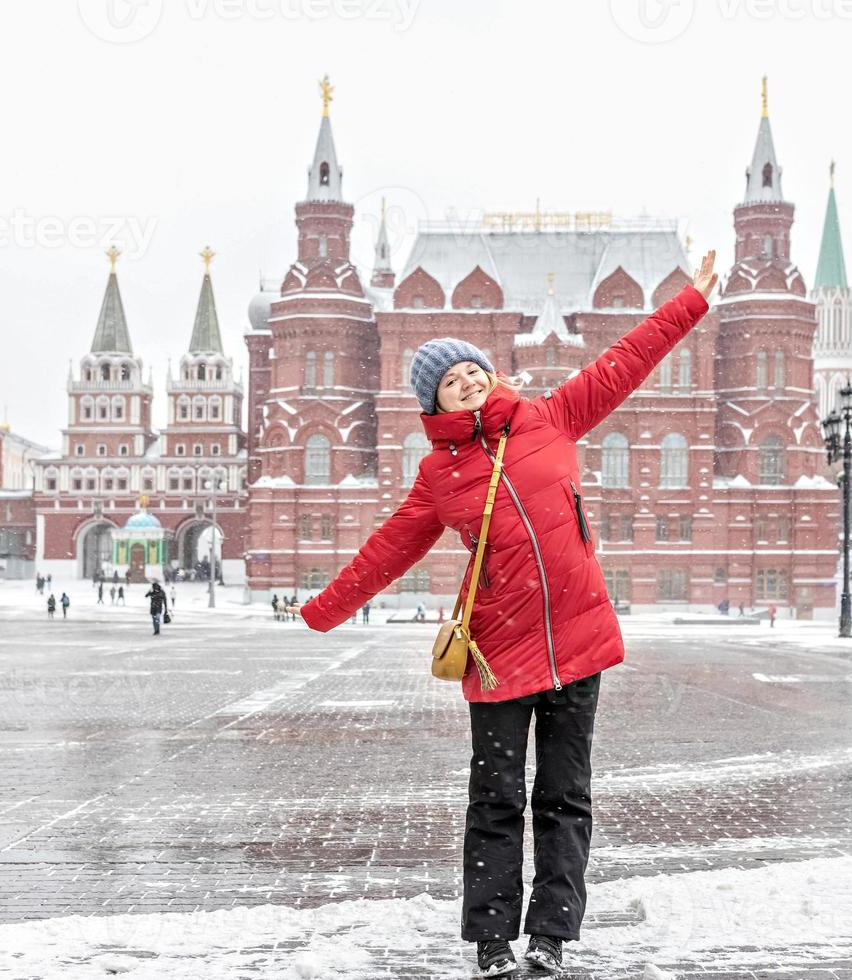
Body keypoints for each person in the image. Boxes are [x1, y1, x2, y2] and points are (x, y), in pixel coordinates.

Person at [300, 253, 719, 977]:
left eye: (472, 371)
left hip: (578, 645)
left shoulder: (551, 417)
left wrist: (689, 302)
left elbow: (626, 361)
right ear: (434, 405)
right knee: (495, 799)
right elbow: (386, 551)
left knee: (563, 798)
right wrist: (321, 610)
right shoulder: (438, 474)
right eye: (448, 382)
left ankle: (550, 938)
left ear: (490, 376)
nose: (466, 383)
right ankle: (491, 942)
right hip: (498, 652)